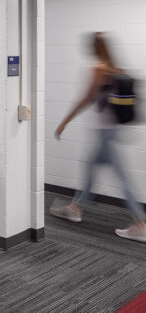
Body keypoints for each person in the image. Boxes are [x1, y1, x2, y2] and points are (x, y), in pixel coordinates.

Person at [52, 32, 146, 243]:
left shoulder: (98, 69)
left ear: (95, 47)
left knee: (122, 178)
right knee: (90, 168)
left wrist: (65, 121)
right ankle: (75, 208)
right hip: (112, 131)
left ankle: (140, 224)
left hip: (105, 133)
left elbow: (88, 97)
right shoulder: (117, 69)